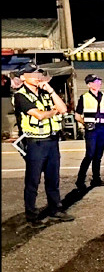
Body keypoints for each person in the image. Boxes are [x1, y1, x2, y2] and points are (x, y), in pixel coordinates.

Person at [14, 62, 75, 227]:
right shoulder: (20, 96)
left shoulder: (44, 93)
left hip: (52, 141)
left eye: (37, 73)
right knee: (33, 181)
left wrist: (51, 90)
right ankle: (32, 216)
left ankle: (55, 209)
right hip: (35, 143)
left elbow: (63, 109)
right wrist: (53, 112)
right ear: (22, 77)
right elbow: (39, 115)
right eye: (32, 73)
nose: (37, 76)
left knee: (53, 179)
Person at [74, 74, 104, 189]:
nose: (98, 84)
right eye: (95, 82)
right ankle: (80, 180)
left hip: (102, 129)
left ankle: (96, 179)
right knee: (89, 155)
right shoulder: (84, 97)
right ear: (89, 85)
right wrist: (86, 124)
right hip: (92, 130)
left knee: (98, 156)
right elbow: (77, 116)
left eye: (99, 81)